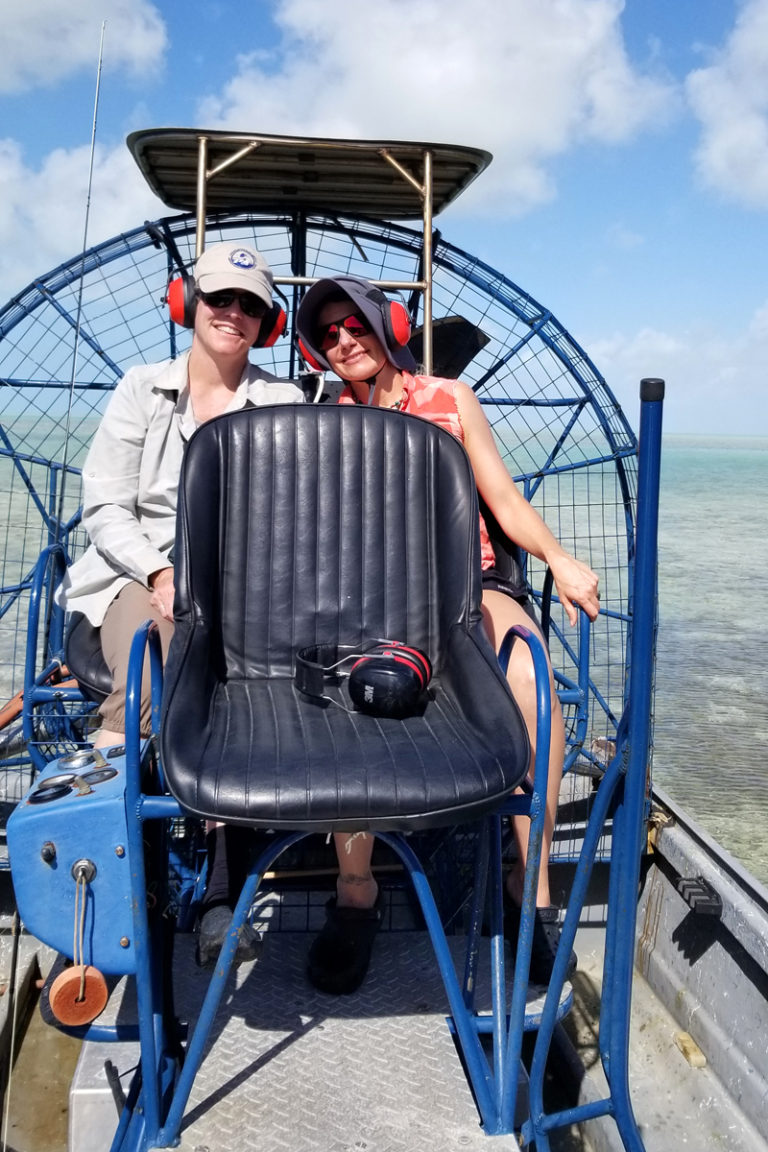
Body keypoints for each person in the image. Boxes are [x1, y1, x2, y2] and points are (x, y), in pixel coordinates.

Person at [295, 274, 600, 994]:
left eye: (355, 324)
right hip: (377, 601)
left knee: (532, 684)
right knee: (346, 707)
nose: (344, 340)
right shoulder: (328, 418)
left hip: (471, 585)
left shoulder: (450, 399)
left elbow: (502, 497)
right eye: (329, 333)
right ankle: (356, 892)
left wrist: (558, 558)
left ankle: (531, 888)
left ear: (388, 325)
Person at [57, 242, 304, 966]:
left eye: (250, 305)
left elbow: (291, 514)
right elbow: (106, 508)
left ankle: (221, 886)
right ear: (188, 304)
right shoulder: (143, 390)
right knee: (155, 674)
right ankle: (112, 883)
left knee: (251, 684)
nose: (233, 313)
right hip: (135, 577)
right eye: (220, 298)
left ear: (268, 323)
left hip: (241, 590)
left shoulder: (282, 402)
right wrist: (161, 571)